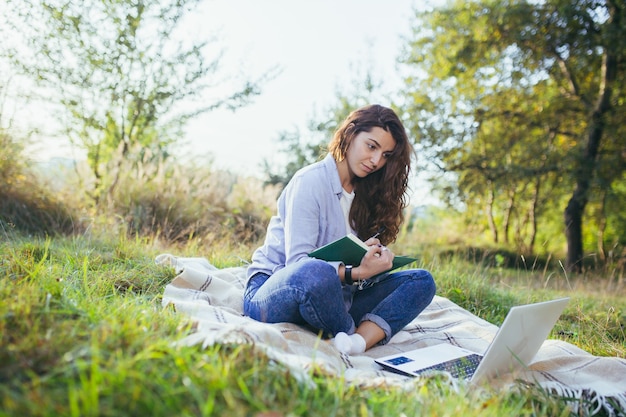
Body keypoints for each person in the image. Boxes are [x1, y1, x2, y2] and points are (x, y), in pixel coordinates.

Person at [243, 104, 436, 355]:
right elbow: (298, 266)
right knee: (314, 272)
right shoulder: (310, 182)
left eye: (386, 155)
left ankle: (354, 343)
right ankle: (355, 332)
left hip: (338, 299)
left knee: (421, 281)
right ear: (350, 135)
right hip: (275, 291)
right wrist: (356, 272)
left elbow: (352, 268)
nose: (376, 161)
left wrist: (373, 263)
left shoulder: (367, 193)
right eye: (371, 146)